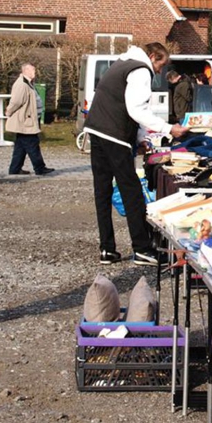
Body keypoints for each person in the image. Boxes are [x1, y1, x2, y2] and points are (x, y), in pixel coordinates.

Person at [84, 42, 188, 266]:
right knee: (131, 191)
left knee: (101, 190)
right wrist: (168, 128)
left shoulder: (122, 62)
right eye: (160, 65)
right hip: (114, 134)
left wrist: (140, 139)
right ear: (152, 57)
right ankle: (142, 249)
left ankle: (107, 249)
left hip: (96, 129)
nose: (160, 72)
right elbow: (136, 109)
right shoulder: (140, 70)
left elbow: (128, 107)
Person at [5, 63, 53, 176]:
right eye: (33, 70)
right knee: (32, 144)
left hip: (28, 120)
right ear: (25, 71)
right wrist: (9, 111)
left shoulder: (28, 83)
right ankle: (40, 168)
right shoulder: (22, 84)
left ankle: (15, 169)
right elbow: (16, 101)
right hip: (25, 121)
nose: (35, 72)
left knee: (20, 147)